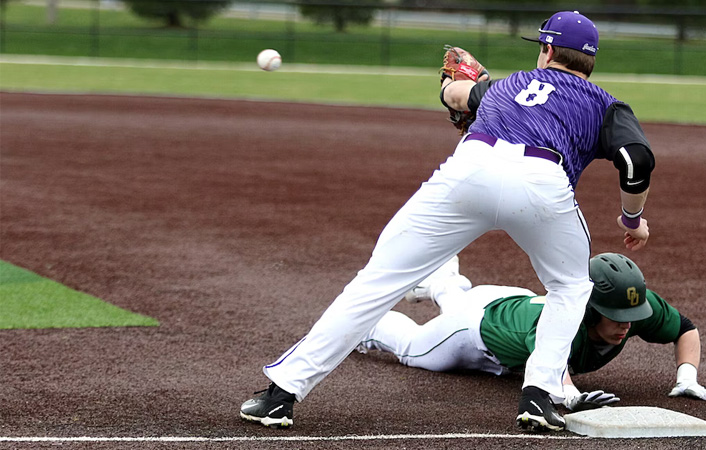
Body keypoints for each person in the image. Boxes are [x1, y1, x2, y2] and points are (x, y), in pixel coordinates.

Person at [240, 10, 656, 432]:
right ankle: (538, 396)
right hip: (542, 184)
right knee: (569, 287)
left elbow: (456, 95)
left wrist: (448, 85)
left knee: (378, 281)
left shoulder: (505, 85)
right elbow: (636, 159)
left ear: (547, 50)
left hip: (468, 171)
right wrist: (632, 217)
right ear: (590, 61)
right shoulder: (606, 104)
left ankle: (280, 395)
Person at [357, 253, 706, 411]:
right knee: (412, 349)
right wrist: (572, 397)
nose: (627, 323)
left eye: (631, 313)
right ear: (590, 309)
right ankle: (363, 322)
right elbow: (553, 372)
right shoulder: (559, 322)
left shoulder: (635, 305)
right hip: (473, 330)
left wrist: (686, 377)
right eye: (615, 315)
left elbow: (685, 329)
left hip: (508, 301)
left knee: (459, 306)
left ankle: (444, 284)